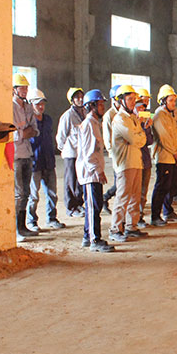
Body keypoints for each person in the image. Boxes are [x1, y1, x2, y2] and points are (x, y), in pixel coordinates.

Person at [77, 89, 115, 253]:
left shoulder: (94, 124)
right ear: (91, 105)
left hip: (95, 172)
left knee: (96, 205)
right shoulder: (88, 125)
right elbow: (87, 153)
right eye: (100, 104)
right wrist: (97, 170)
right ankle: (95, 240)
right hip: (90, 173)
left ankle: (88, 236)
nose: (102, 107)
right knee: (92, 207)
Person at [109, 85, 148, 242]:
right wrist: (138, 136)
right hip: (125, 163)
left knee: (135, 197)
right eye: (130, 99)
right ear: (121, 100)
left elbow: (142, 139)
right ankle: (115, 228)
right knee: (123, 197)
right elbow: (136, 139)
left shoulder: (133, 118)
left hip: (135, 161)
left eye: (134, 98)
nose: (133, 102)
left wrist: (138, 136)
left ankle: (131, 227)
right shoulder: (119, 119)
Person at [25, 88, 65, 232]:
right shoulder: (28, 122)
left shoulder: (48, 119)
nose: (41, 107)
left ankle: (52, 218)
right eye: (37, 104)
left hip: (49, 162)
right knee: (33, 196)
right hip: (35, 164)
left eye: (42, 104)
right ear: (30, 104)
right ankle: (31, 221)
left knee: (52, 193)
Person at [150, 84, 177, 225]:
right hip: (165, 157)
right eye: (171, 100)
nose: (173, 103)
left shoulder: (169, 115)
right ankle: (155, 216)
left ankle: (168, 211)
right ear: (163, 101)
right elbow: (164, 138)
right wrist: (175, 153)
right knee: (161, 187)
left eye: (174, 101)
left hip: (173, 157)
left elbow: (176, 135)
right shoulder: (160, 116)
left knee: (170, 186)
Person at [12, 74, 39, 242]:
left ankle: (23, 226)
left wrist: (24, 133)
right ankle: (15, 229)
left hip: (27, 153)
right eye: (22, 88)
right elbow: (12, 134)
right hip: (15, 155)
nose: (25, 91)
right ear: (14, 89)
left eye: (26, 88)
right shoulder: (9, 107)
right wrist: (24, 132)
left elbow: (35, 130)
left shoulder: (28, 108)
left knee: (27, 192)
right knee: (18, 193)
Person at [56, 87, 86, 218]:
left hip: (82, 153)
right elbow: (61, 136)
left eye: (81, 96)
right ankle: (71, 207)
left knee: (80, 180)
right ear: (72, 100)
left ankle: (79, 204)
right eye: (76, 97)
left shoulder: (85, 113)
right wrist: (65, 150)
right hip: (71, 154)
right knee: (70, 181)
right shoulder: (67, 116)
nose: (80, 99)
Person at [102, 84, 122, 215]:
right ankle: (105, 197)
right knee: (119, 183)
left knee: (122, 182)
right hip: (117, 155)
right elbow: (107, 137)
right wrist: (113, 153)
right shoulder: (109, 115)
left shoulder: (123, 112)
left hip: (125, 153)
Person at [135, 99, 154, 228]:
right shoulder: (130, 122)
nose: (142, 111)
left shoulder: (145, 124)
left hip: (145, 159)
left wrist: (146, 128)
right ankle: (133, 218)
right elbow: (137, 141)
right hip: (135, 160)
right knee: (134, 192)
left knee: (143, 191)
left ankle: (139, 216)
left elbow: (150, 141)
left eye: (143, 109)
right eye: (139, 108)